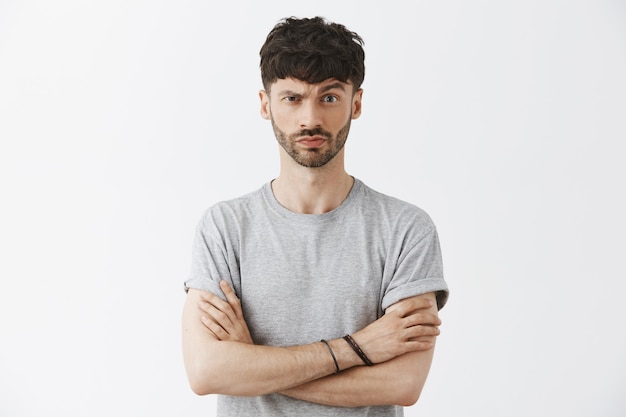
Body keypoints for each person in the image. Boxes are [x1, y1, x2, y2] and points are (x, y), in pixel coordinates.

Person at [182, 16, 449, 416]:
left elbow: (403, 383)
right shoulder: (224, 227)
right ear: (264, 104)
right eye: (292, 98)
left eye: (328, 97)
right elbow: (207, 371)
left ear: (355, 103)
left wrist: (254, 361)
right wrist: (359, 348)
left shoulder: (405, 229)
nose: (310, 119)